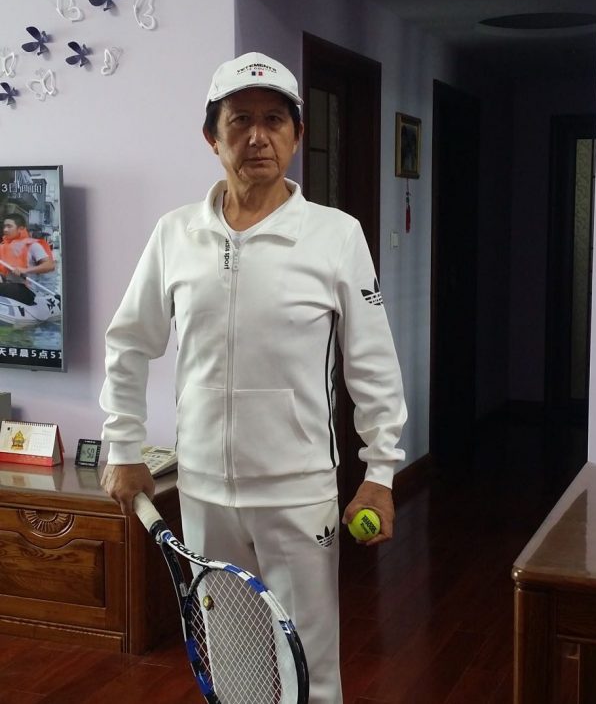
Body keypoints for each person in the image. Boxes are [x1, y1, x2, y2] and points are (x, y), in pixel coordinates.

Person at [100, 52, 407, 702]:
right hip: (204, 491)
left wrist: (380, 473)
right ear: (212, 137)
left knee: (310, 669)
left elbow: (373, 363)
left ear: (296, 136)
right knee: (233, 667)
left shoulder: (336, 235)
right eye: (239, 120)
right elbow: (129, 342)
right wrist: (123, 447)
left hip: (299, 493)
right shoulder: (175, 235)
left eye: (274, 120)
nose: (257, 136)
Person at [0, 213, 56, 305]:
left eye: (9, 226)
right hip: (8, 286)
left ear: (20, 229)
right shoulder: (2, 247)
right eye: (4, 226)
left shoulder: (33, 246)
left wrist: (25, 270)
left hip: (28, 291)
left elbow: (50, 265)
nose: (5, 229)